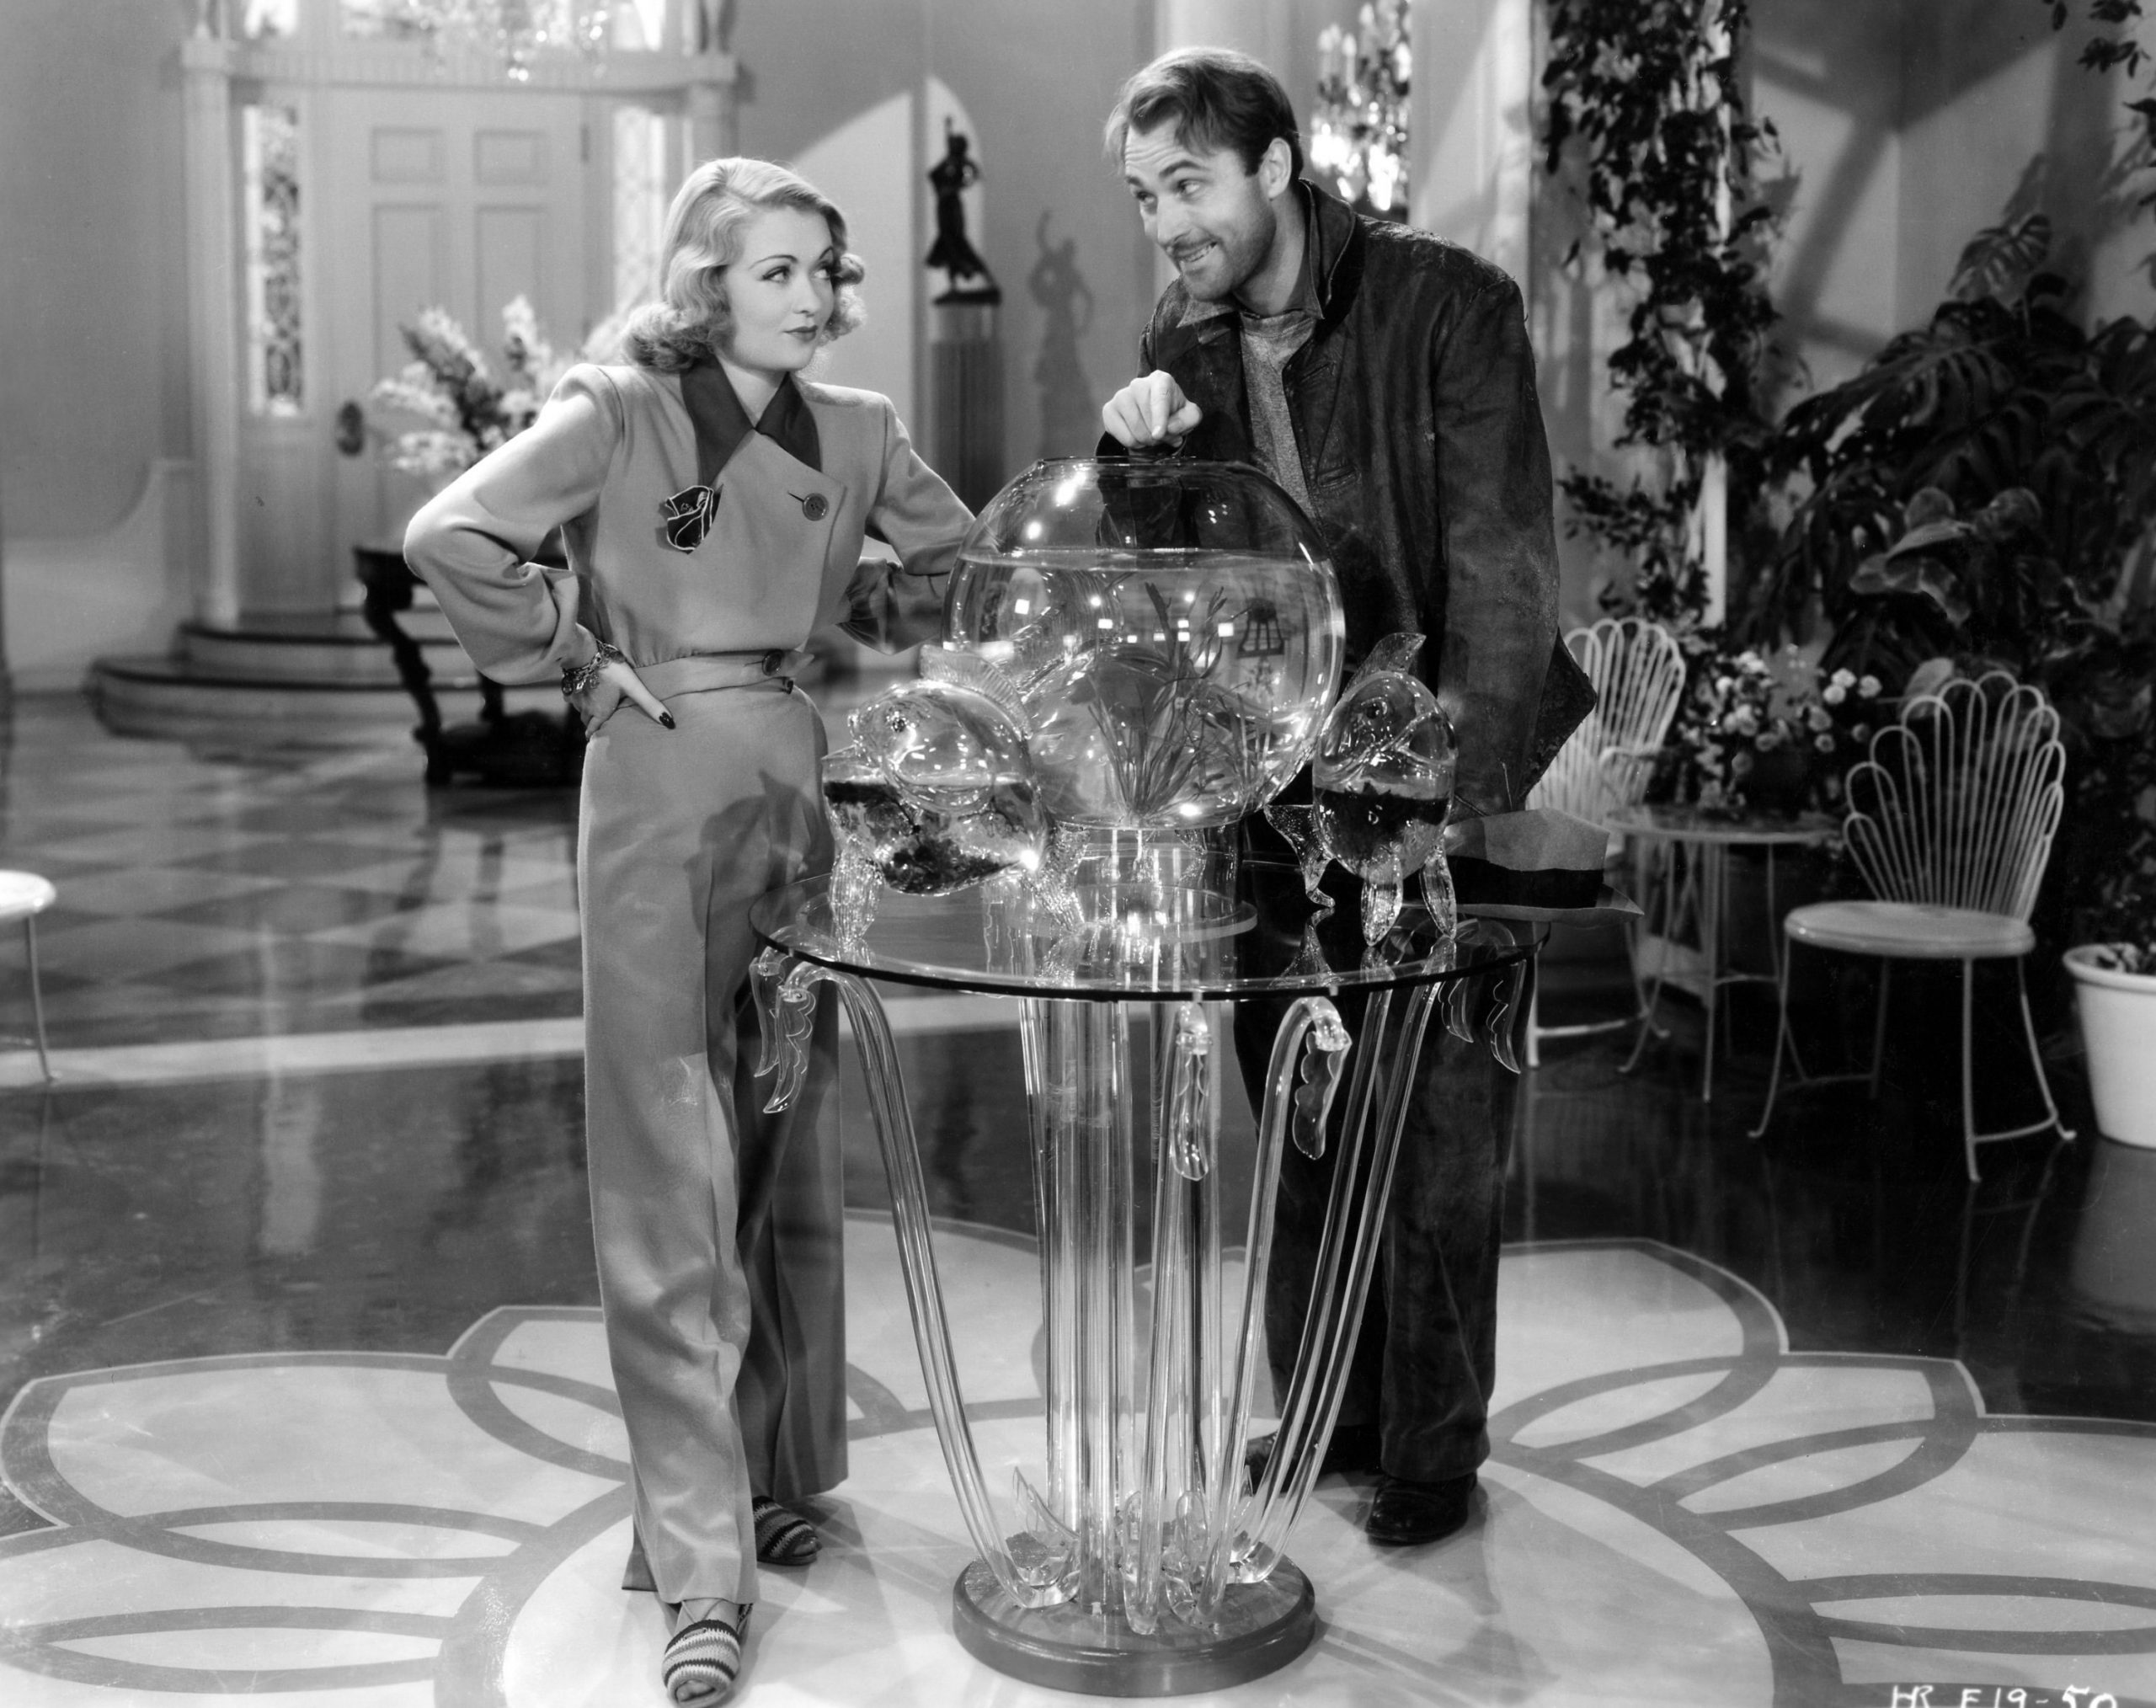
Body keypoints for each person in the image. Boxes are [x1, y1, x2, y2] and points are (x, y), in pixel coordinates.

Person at [405, 157, 969, 1703]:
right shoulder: (615, 407)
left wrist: (887, 599)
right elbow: (452, 535)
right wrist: (578, 664)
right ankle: (700, 1572)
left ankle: (766, 1480)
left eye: (823, 270)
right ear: (705, 281)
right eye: (778, 270)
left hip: (795, 792)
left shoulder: (858, 435)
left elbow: (968, 575)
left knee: (787, 1133)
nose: (812, 295)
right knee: (668, 1158)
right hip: (652, 791)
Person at [1099, 50, 1593, 1547]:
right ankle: (1333, 1409)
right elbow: (1177, 586)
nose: (1165, 223)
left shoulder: (1450, 306)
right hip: (1269, 786)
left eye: (1187, 184)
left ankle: (1433, 1450)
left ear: (1275, 167)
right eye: (1141, 196)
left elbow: (1505, 566)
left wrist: (1453, 789)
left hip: (1428, 776)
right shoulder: (1177, 348)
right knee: (1304, 1106)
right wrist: (1133, 470)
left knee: (1439, 1125)